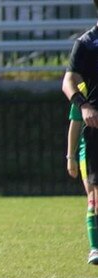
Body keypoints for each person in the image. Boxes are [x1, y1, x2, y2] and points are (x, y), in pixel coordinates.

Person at [62, 1, 98, 265]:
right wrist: (83, 104)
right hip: (96, 129)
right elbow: (68, 81)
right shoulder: (86, 44)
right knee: (95, 191)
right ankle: (95, 247)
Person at [66, 82, 98, 265]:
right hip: (89, 152)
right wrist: (71, 156)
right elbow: (75, 124)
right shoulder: (83, 89)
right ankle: (95, 247)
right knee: (93, 197)